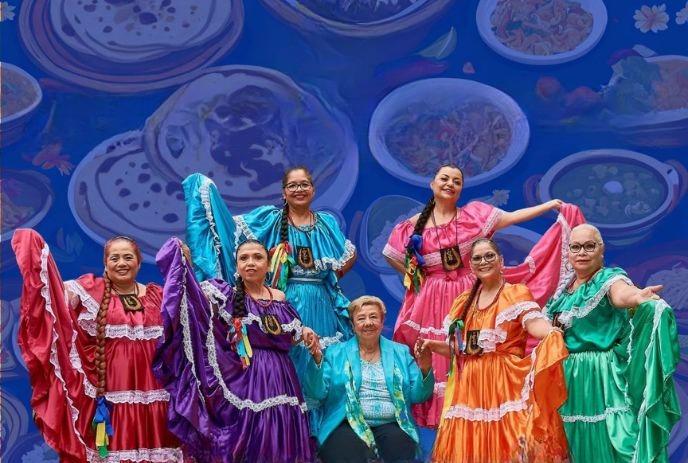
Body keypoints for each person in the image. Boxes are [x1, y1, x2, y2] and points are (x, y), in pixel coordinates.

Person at [383, 164, 584, 427]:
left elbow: (512, 217)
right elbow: (391, 253)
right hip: (431, 302)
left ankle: (477, 412)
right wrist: (419, 277)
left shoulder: (472, 217)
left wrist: (547, 207)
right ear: (432, 184)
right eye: (444, 179)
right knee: (439, 354)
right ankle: (448, 425)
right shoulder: (412, 227)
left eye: (456, 181)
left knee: (476, 349)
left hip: (470, 293)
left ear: (461, 189)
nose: (450, 184)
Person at [183, 167, 355, 428]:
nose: (299, 189)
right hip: (283, 304)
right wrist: (209, 199)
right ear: (284, 192)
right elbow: (233, 237)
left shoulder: (327, 223)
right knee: (291, 366)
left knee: (321, 364)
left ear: (313, 189)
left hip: (322, 306)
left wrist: (323, 279)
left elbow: (346, 256)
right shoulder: (269, 219)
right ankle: (294, 435)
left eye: (304, 184)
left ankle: (323, 440)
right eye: (293, 185)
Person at [11, 229, 182, 462]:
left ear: (139, 263)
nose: (122, 263)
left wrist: (186, 266)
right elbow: (55, 300)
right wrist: (38, 257)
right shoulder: (89, 290)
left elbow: (194, 317)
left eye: (128, 257)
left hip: (156, 401)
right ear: (105, 263)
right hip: (110, 403)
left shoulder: (158, 297)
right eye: (115, 258)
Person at [154, 237, 319, 463]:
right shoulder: (225, 296)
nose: (251, 262)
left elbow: (291, 336)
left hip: (284, 378)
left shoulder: (280, 298)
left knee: (284, 436)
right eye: (244, 258)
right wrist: (185, 264)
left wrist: (306, 331)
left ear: (269, 264)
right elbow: (194, 304)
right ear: (237, 266)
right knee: (255, 438)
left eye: (258, 257)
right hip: (249, 380)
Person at [417, 238, 569, 462]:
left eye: (489, 256)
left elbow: (534, 323)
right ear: (470, 265)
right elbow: (460, 349)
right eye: (477, 258)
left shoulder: (515, 294)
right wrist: (432, 346)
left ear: (501, 261)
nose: (483, 261)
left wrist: (550, 332)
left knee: (511, 445)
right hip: (469, 387)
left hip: (504, 384)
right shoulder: (462, 303)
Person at [545, 224, 681, 462]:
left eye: (589, 246)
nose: (582, 252)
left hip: (603, 377)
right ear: (568, 252)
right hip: (568, 377)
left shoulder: (608, 279)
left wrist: (637, 297)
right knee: (572, 444)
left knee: (620, 442)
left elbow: (621, 295)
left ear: (601, 250)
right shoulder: (562, 292)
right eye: (575, 247)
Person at [303, 295, 434, 463]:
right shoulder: (335, 353)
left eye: (373, 316)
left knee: (400, 450)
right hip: (345, 423)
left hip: (392, 423)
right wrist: (317, 359)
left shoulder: (400, 352)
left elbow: (418, 396)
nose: (368, 323)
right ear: (352, 324)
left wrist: (425, 369)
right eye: (361, 318)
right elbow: (317, 393)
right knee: (350, 455)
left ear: (382, 320)